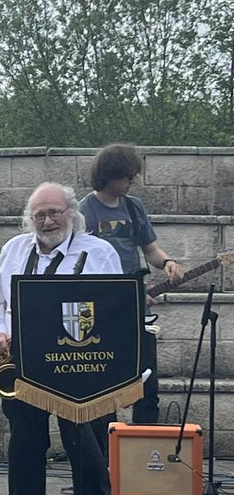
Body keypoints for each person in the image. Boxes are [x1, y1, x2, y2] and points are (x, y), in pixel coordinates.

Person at [0, 183, 124, 495]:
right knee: (24, 453)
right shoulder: (13, 249)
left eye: (55, 212)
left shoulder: (100, 253)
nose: (47, 221)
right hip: (22, 367)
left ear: (72, 213)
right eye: (40, 214)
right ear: (30, 217)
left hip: (80, 369)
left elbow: (115, 312)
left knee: (89, 457)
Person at [80, 144, 184, 424]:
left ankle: (142, 446)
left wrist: (168, 262)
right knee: (104, 384)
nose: (133, 181)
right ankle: (107, 448)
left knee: (147, 383)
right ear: (109, 175)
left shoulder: (134, 207)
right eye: (128, 176)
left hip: (136, 305)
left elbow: (150, 250)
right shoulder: (84, 210)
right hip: (100, 307)